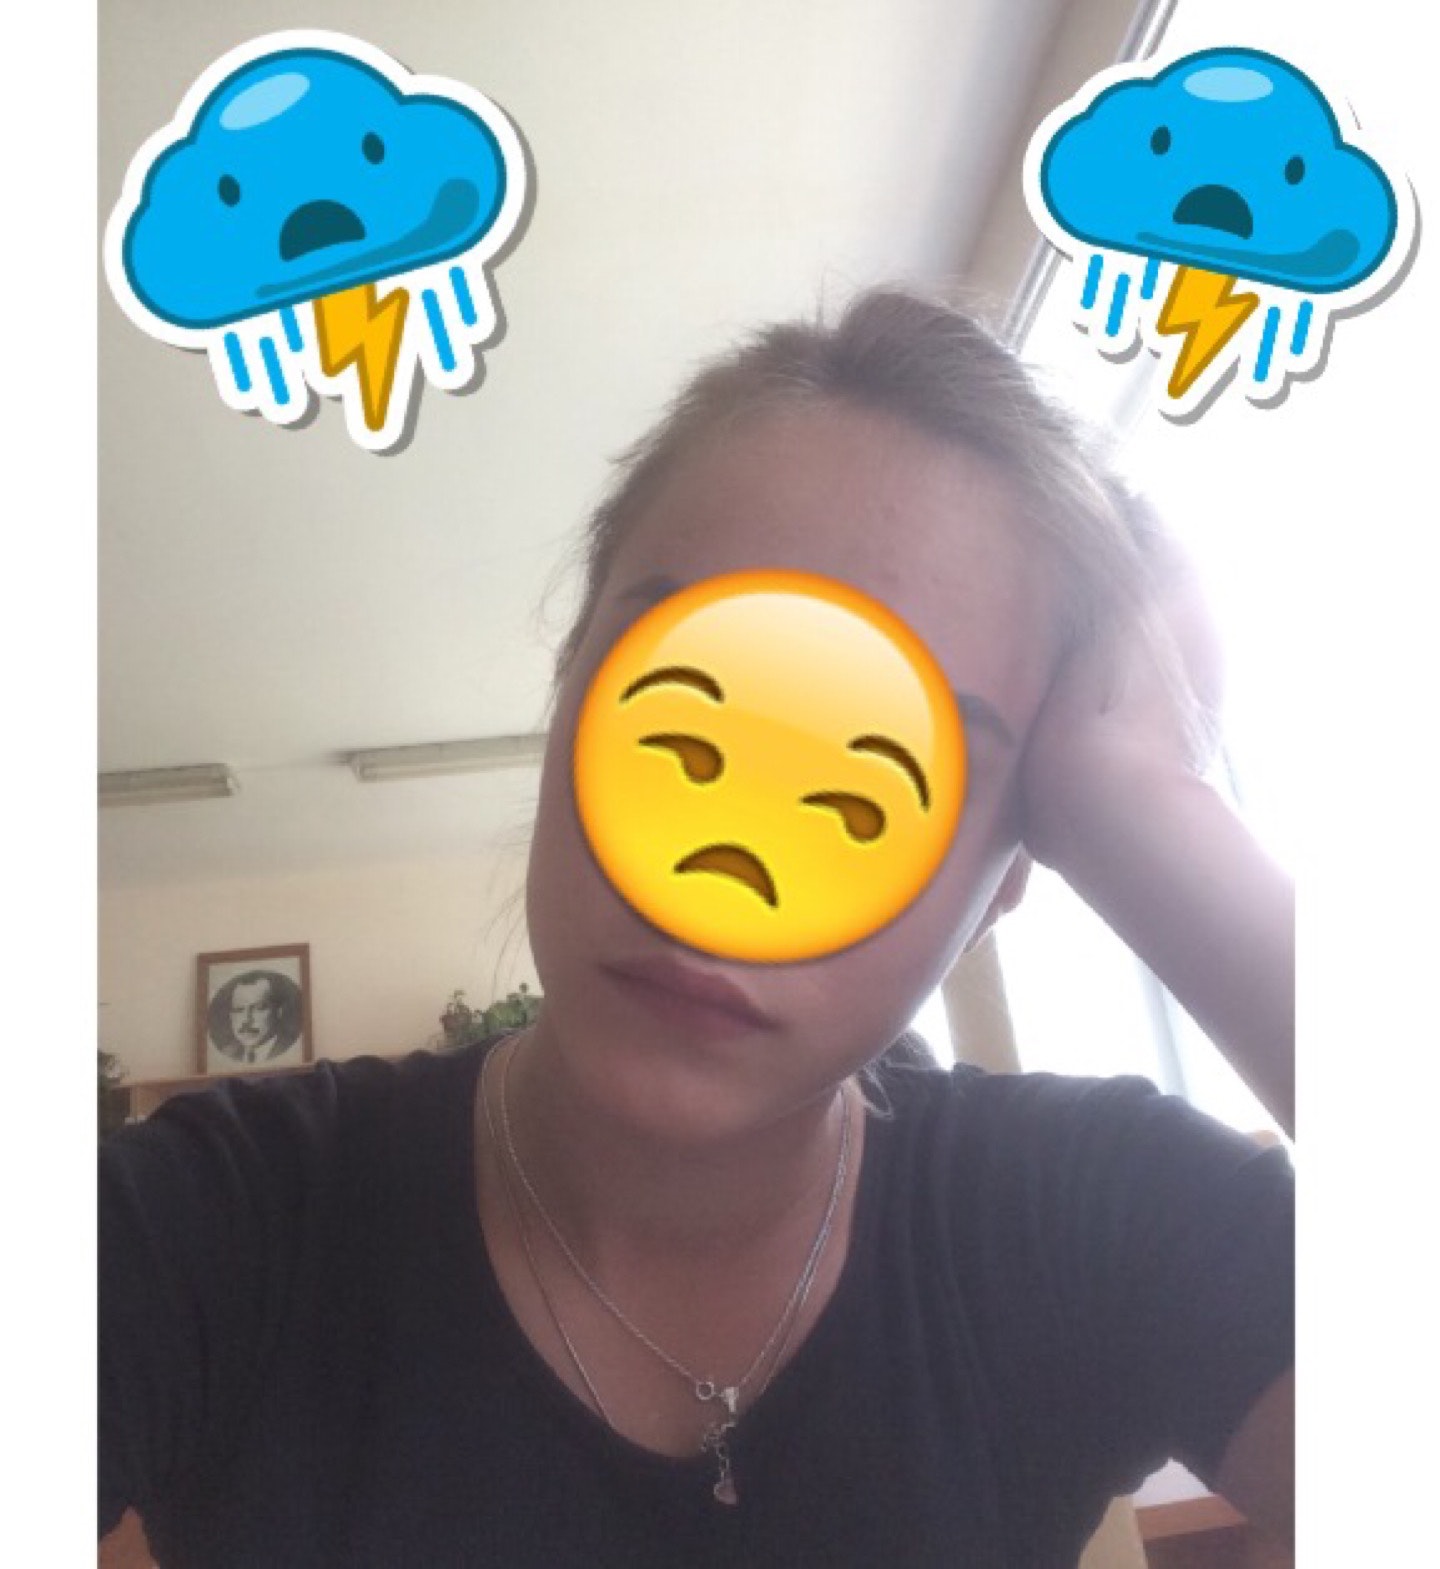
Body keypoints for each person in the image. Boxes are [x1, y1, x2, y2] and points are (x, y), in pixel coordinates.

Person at [99, 290, 1294, 1567]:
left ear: (1005, 876)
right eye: (678, 721)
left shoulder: (1101, 1219)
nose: (729, 868)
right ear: (570, 689)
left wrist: (1148, 808)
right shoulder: (207, 1231)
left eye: (871, 792)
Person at [206, 970, 300, 1065]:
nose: (246, 1020)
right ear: (231, 1015)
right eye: (238, 1009)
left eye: (259, 1008)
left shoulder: (295, 1051)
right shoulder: (228, 1053)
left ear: (279, 1012)